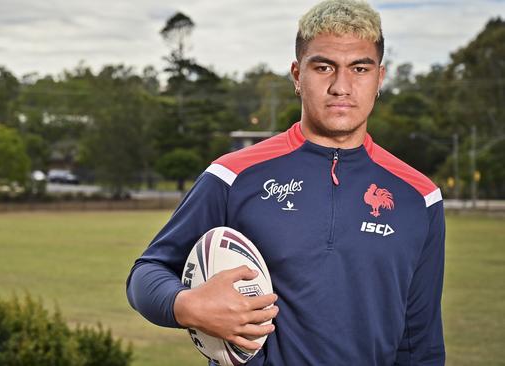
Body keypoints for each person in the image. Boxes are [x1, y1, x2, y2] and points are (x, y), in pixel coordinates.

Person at [126, 0, 445, 364]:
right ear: (297, 75)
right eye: (323, 67)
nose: (341, 86)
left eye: (359, 68)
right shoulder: (233, 176)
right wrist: (185, 304)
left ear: (380, 79)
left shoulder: (420, 197)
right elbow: (146, 274)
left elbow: (420, 340)